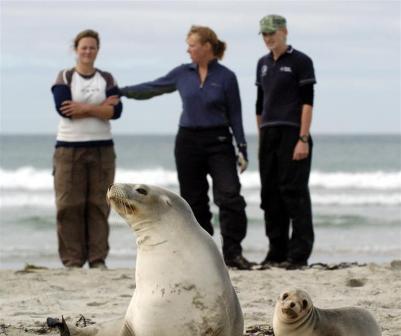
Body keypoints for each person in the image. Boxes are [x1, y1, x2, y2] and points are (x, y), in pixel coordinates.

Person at [119, 25, 254, 270]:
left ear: (207, 47)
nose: (188, 49)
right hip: (188, 142)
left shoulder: (226, 77)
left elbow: (236, 114)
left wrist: (242, 147)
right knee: (194, 200)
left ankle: (233, 253)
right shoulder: (183, 73)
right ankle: (204, 254)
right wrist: (121, 92)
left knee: (230, 197)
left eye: (192, 45)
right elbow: (152, 88)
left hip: (220, 141)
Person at [51, 29, 123, 269]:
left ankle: (97, 259)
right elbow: (64, 110)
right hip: (69, 149)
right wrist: (100, 108)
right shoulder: (65, 76)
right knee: (68, 205)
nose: (88, 51)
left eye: (92, 47)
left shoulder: (108, 78)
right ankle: (72, 260)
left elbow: (117, 112)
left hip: (103, 149)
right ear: (76, 49)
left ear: (97, 50)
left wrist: (83, 107)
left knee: (99, 204)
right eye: (84, 47)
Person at [255, 15, 316, 270]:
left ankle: (298, 254)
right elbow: (259, 103)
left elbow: (307, 102)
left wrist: (303, 138)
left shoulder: (301, 61)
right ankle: (276, 252)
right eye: (265, 34)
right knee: (270, 195)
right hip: (268, 134)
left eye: (272, 33)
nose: (268, 38)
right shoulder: (262, 63)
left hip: (293, 133)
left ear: (284, 32)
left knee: (294, 193)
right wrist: (260, 136)